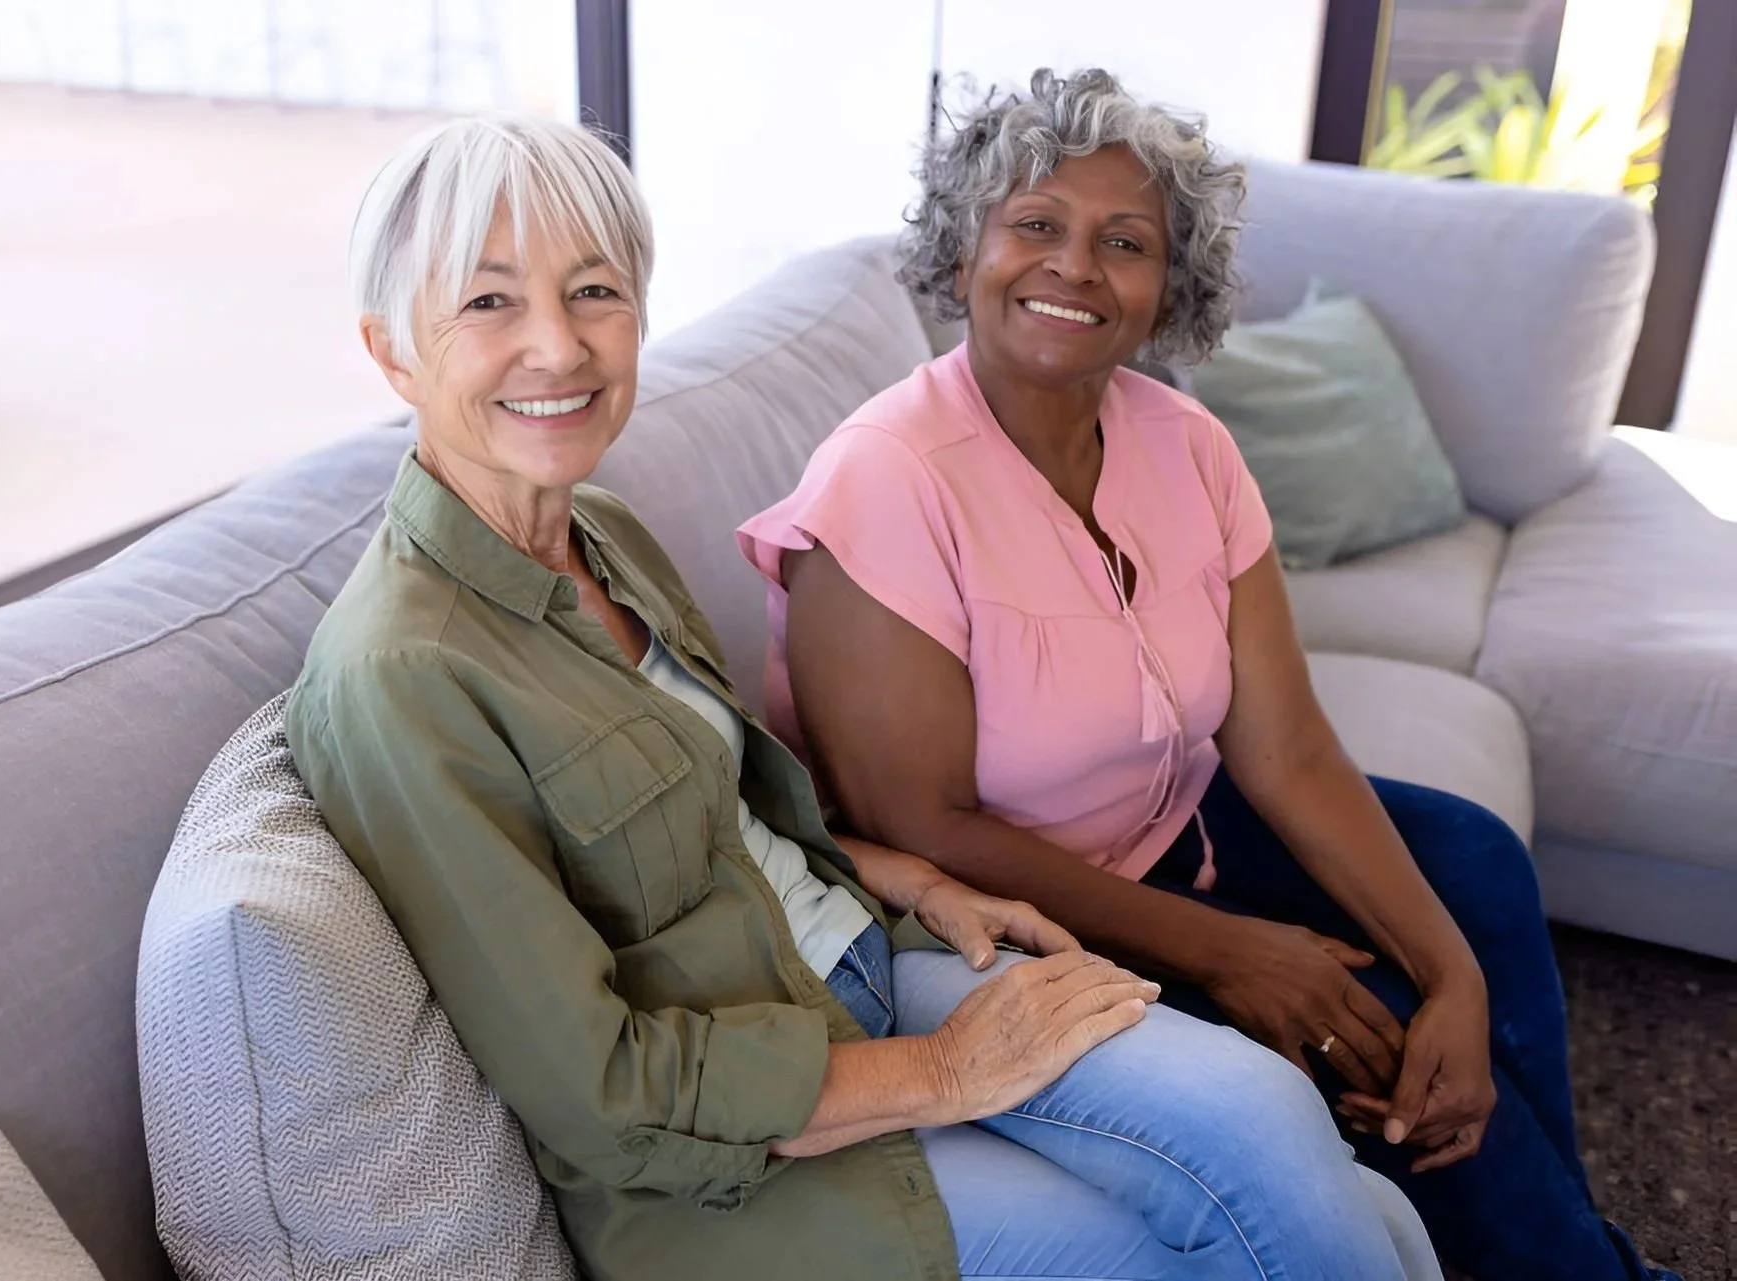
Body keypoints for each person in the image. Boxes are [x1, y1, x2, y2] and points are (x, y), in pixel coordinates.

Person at [284, 113, 1445, 1281]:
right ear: (393, 352)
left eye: (593, 292)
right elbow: (602, 1095)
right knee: (1220, 1238)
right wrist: (948, 1075)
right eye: (489, 305)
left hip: (860, 962)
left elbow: (719, 809)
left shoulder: (598, 532)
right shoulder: (402, 675)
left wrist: (915, 878)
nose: (558, 348)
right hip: (736, 1163)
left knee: (1314, 1163)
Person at [739, 68, 1678, 1281]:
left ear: (1166, 288)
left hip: (1175, 824)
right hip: (998, 926)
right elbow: (918, 821)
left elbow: (1284, 746)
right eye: (1035, 225)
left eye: (1123, 243)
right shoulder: (886, 480)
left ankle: (1562, 1247)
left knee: (1474, 875)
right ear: (965, 243)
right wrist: (1229, 952)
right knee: (1358, 1032)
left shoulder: (1188, 444)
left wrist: (1458, 974)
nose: (1073, 267)